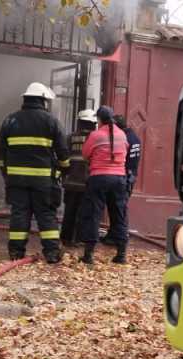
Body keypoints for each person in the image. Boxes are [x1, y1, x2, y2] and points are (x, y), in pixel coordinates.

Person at [0, 82, 70, 263]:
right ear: (42, 101)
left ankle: (16, 252)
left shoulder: (10, 120)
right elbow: (62, 151)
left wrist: (7, 173)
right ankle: (52, 253)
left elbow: (1, 151)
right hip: (43, 180)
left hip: (17, 180)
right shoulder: (51, 121)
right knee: (46, 214)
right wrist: (64, 169)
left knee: (19, 214)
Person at [78, 106, 129, 264]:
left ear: (99, 119)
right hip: (119, 178)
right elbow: (125, 152)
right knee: (119, 214)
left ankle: (89, 254)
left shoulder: (96, 135)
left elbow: (85, 154)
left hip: (99, 178)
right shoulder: (122, 134)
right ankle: (121, 254)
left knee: (93, 214)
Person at [100, 114, 143, 246]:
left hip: (123, 176)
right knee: (118, 208)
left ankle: (119, 238)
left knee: (118, 208)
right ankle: (115, 235)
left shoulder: (124, 138)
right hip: (130, 176)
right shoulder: (135, 137)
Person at [60, 109, 98, 246]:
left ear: (79, 122)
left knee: (70, 210)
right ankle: (80, 239)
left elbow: (63, 156)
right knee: (85, 212)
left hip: (71, 181)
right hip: (88, 181)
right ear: (93, 123)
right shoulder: (96, 138)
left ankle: (66, 237)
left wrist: (63, 176)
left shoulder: (70, 137)